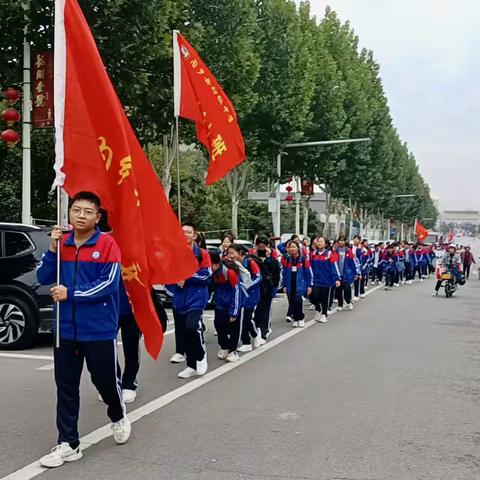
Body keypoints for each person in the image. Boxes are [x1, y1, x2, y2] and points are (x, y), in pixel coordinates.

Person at [36, 191, 130, 468]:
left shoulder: (107, 244)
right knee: (66, 387)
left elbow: (109, 284)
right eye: (77, 210)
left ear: (97, 217)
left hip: (99, 330)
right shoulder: (61, 242)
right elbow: (43, 277)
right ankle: (69, 443)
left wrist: (71, 293)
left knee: (105, 383)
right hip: (64, 330)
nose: (81, 215)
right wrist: (52, 250)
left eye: (88, 211)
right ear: (69, 213)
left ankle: (118, 415)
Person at [165, 222, 211, 379]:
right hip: (180, 299)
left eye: (188, 232)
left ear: (195, 235)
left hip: (197, 298)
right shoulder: (175, 254)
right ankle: (191, 365)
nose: (185, 234)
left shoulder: (202, 254)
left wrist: (188, 276)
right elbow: (168, 277)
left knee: (192, 327)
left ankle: (200, 355)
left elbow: (206, 276)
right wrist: (172, 292)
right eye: (182, 231)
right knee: (185, 332)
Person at [227, 245, 263, 352]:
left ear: (239, 253)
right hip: (240, 296)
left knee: (247, 318)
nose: (230, 255)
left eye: (232, 253)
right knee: (242, 319)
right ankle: (247, 340)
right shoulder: (232, 264)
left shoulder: (250, 262)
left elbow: (258, 277)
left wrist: (248, 285)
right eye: (229, 253)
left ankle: (254, 335)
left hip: (251, 295)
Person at [210, 252, 243, 362]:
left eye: (210, 265)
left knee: (233, 327)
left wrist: (234, 311)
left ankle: (233, 350)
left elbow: (237, 291)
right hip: (220, 303)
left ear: (216, 263)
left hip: (232, 303)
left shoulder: (229, 272)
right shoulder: (212, 273)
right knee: (218, 325)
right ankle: (224, 346)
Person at [249, 235, 280, 341]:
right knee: (255, 310)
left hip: (267, 288)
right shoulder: (251, 257)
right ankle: (256, 329)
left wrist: (268, 258)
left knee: (265, 309)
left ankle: (264, 331)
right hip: (255, 288)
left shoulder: (272, 258)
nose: (261, 248)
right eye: (259, 246)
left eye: (264, 246)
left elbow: (276, 272)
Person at [281, 240, 312, 327]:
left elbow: (308, 273)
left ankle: (300, 318)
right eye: (290, 247)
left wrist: (309, 285)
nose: (292, 249)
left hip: (300, 284)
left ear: (298, 248)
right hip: (290, 284)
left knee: (298, 301)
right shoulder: (287, 260)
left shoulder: (303, 259)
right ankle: (296, 318)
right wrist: (284, 285)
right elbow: (284, 273)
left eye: (294, 247)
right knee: (292, 302)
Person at [309, 236, 340, 323]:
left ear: (325, 243)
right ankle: (318, 309)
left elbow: (334, 267)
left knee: (324, 298)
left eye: (321, 241)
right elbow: (309, 267)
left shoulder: (329, 254)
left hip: (327, 280)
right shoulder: (313, 253)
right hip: (315, 280)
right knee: (313, 297)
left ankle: (324, 314)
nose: (319, 243)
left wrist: (337, 278)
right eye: (318, 241)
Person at [334, 236, 357, 311]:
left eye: (342, 241)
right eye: (340, 241)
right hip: (338, 273)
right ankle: (340, 304)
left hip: (346, 273)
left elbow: (352, 263)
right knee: (338, 289)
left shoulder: (348, 251)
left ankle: (348, 302)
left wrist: (355, 273)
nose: (341, 242)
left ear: (345, 241)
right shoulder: (335, 251)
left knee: (347, 288)